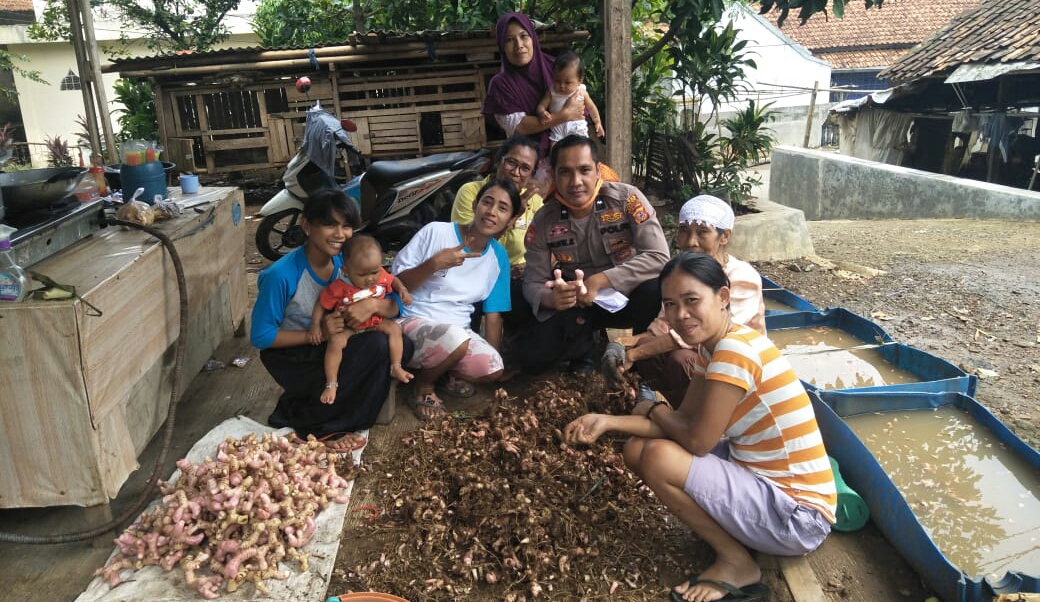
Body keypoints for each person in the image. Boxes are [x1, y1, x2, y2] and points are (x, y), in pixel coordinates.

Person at [563, 252, 836, 602]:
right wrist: (606, 422)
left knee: (660, 457)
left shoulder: (734, 351)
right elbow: (683, 421)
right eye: (670, 305)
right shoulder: (715, 347)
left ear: (723, 297)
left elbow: (697, 440)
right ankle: (732, 537)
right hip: (761, 481)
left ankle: (737, 562)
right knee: (636, 449)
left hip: (798, 517)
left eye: (692, 300)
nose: (680, 315)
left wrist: (654, 408)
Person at [251, 189, 413, 449]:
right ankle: (316, 424)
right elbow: (261, 336)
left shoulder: (348, 261)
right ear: (306, 225)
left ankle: (338, 411)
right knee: (375, 347)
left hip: (333, 345)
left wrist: (373, 305)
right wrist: (315, 334)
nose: (340, 234)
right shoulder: (280, 275)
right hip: (295, 357)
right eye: (329, 225)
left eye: (347, 226)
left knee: (403, 345)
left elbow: (396, 306)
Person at [515, 135, 670, 374]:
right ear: (554, 175)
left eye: (584, 170)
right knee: (532, 361)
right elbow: (533, 282)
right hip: (577, 303)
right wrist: (552, 298)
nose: (575, 182)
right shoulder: (545, 220)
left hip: (628, 298)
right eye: (565, 172)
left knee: (655, 289)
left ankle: (640, 360)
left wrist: (600, 281)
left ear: (598, 171)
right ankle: (582, 349)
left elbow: (658, 256)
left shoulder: (627, 199)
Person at [605, 194, 767, 406]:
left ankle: (701, 416)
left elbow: (709, 335)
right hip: (701, 350)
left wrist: (634, 354)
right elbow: (663, 326)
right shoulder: (682, 274)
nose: (691, 242)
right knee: (648, 345)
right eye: (684, 231)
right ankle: (669, 403)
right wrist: (623, 343)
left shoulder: (742, 278)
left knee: (680, 360)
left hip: (736, 363)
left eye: (702, 232)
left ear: (724, 236)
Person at [391, 178, 522, 420]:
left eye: (502, 208)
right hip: (412, 320)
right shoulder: (436, 232)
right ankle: (424, 388)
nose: (492, 212)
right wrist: (433, 264)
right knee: (456, 339)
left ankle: (442, 372)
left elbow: (493, 315)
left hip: (457, 333)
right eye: (487, 202)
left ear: (511, 220)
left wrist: (493, 362)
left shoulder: (498, 256)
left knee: (493, 366)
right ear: (474, 205)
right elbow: (396, 284)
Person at [451, 135, 542, 334]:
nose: (516, 172)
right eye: (511, 162)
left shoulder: (536, 203)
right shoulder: (472, 192)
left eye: (525, 168)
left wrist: (530, 268)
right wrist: (514, 214)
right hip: (474, 269)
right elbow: (470, 245)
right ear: (499, 160)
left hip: (516, 278)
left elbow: (543, 246)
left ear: (532, 174)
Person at [310, 234, 414, 405]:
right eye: (362, 274)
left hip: (374, 321)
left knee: (394, 329)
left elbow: (393, 279)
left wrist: (402, 289)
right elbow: (321, 303)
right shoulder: (339, 287)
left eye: (375, 272)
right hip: (348, 326)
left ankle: (396, 366)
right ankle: (331, 383)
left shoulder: (380, 275)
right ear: (346, 271)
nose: (370, 278)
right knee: (335, 342)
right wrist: (315, 325)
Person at [536, 51, 604, 145]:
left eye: (567, 82)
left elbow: (592, 107)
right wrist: (542, 112)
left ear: (579, 80)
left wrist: (597, 122)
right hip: (557, 127)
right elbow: (541, 105)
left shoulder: (581, 92)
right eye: (557, 81)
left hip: (577, 127)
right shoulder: (552, 92)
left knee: (580, 148)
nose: (562, 86)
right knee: (554, 150)